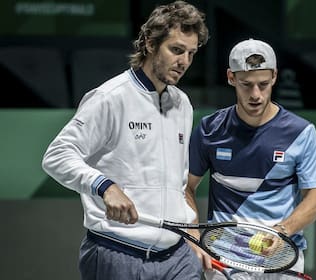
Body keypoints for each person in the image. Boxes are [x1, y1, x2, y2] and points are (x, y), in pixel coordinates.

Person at [41, 1, 209, 279]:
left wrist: (189, 226)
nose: (184, 62)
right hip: (118, 253)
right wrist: (104, 186)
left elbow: (177, 182)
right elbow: (57, 156)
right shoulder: (110, 97)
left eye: (191, 53)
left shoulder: (183, 104)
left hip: (177, 256)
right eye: (176, 50)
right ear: (149, 44)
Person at [185, 39, 316, 279]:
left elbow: (314, 197)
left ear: (274, 76)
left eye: (263, 84)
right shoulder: (209, 130)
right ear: (231, 78)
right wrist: (195, 237)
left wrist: (284, 230)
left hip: (281, 257)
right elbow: (186, 187)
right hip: (224, 258)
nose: (256, 95)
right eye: (246, 85)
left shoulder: (301, 132)